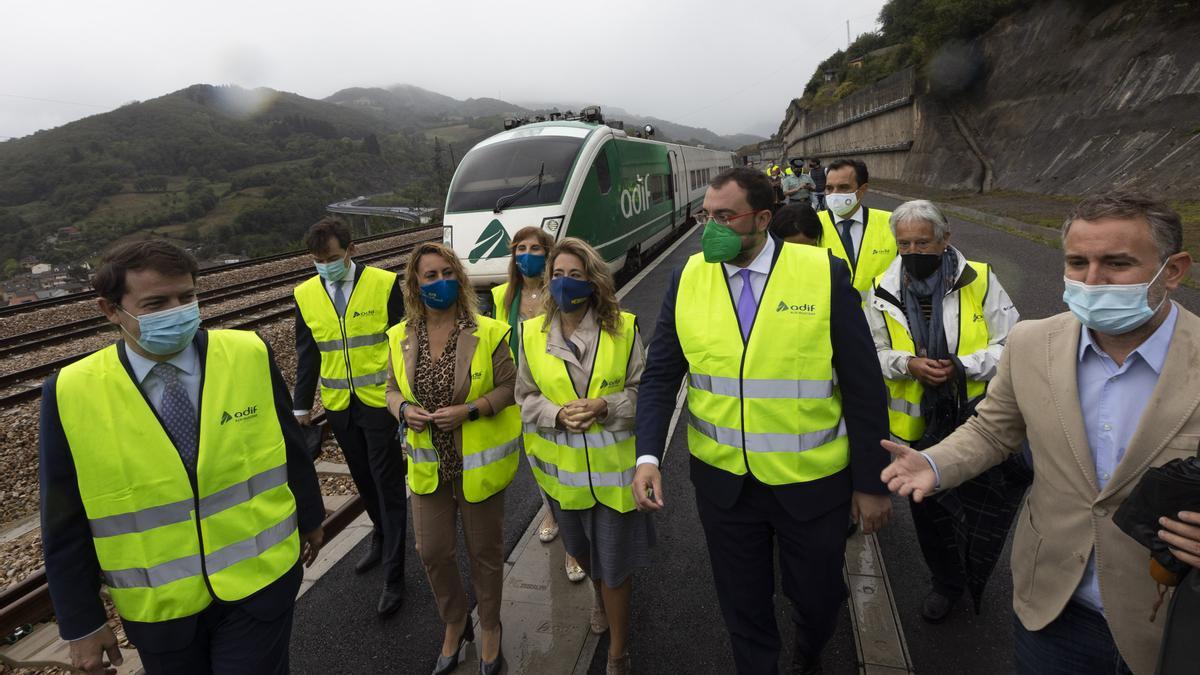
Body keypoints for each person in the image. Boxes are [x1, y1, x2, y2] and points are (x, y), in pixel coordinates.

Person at [881, 192, 1200, 675]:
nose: (1092, 280)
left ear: (1173, 270)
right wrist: (933, 463)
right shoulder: (1032, 343)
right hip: (1052, 606)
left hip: (1173, 619)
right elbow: (993, 430)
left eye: (1116, 263)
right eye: (1077, 262)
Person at [632, 167, 892, 674]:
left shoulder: (821, 273)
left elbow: (863, 385)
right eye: (706, 215)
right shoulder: (688, 276)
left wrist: (871, 483)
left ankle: (810, 650)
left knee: (818, 600)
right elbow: (661, 374)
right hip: (724, 485)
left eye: (725, 216)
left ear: (764, 218)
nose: (711, 227)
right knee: (742, 607)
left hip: (812, 484)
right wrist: (648, 456)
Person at [40, 241, 325, 675]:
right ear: (110, 310)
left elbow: (290, 447)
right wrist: (81, 623)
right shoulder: (70, 392)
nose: (179, 311)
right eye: (157, 303)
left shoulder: (247, 353)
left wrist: (311, 518)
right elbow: (62, 518)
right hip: (160, 610)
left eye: (187, 297)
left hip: (259, 584)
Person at [864, 200, 1022, 623]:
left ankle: (980, 573)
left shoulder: (982, 279)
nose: (913, 251)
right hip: (919, 428)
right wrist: (908, 365)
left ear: (945, 239)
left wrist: (960, 366)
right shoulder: (881, 289)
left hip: (976, 420)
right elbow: (873, 353)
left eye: (923, 242)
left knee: (981, 505)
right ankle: (946, 584)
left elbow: (1012, 346)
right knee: (931, 514)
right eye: (904, 244)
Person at [515, 237, 650, 675]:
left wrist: (606, 406)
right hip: (564, 480)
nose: (565, 284)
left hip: (614, 476)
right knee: (585, 555)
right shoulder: (531, 334)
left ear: (592, 281)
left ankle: (618, 648)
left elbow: (641, 391)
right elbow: (524, 397)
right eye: (557, 275)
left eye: (575, 275)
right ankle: (599, 599)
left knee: (614, 566)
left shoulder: (624, 329)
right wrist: (556, 414)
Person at [386, 242, 520, 675]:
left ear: (458, 279)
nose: (441, 282)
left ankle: (491, 627)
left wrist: (471, 409)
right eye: (431, 276)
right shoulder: (399, 337)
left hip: (477, 466)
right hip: (429, 467)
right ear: (415, 284)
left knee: (484, 551)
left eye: (448, 273)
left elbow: (509, 388)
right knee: (432, 550)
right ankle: (455, 620)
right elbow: (389, 391)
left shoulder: (488, 331)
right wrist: (404, 411)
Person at [292, 216, 408, 617]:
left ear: (351, 250)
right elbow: (307, 352)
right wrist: (301, 407)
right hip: (340, 406)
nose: (325, 265)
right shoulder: (305, 294)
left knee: (388, 482)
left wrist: (406, 398)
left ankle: (395, 574)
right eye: (318, 259)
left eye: (333, 257)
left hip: (381, 403)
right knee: (364, 479)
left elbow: (404, 341)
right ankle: (381, 536)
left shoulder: (384, 284)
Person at [489, 226, 587, 584]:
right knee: (539, 460)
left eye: (535, 248)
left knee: (568, 462)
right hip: (524, 393)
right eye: (520, 248)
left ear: (549, 254)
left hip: (562, 389)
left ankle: (575, 543)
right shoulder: (503, 296)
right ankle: (552, 512)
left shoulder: (560, 292)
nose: (526, 255)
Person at [817, 158, 896, 296]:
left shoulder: (892, 222)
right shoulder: (814, 223)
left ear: (862, 189)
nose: (834, 194)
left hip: (879, 313)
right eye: (829, 188)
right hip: (832, 314)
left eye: (843, 187)